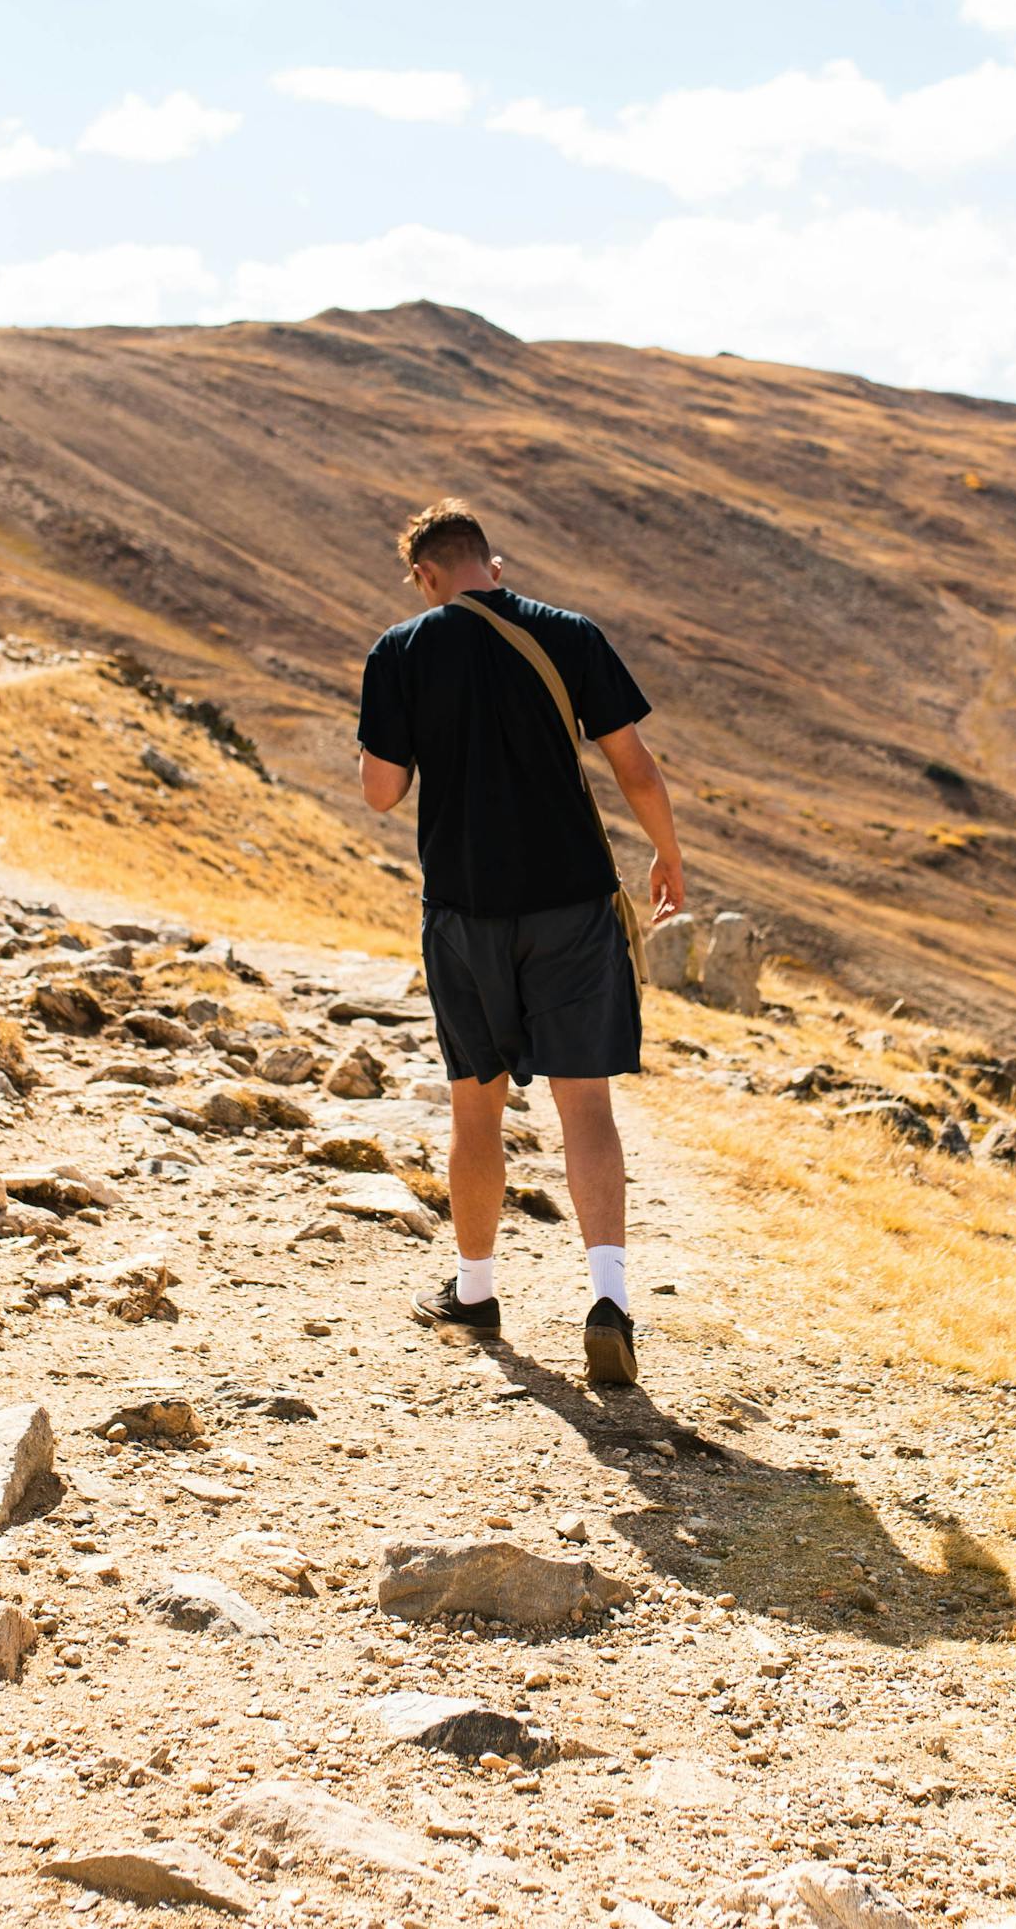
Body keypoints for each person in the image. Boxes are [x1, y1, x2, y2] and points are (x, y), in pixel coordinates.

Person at [355, 498, 686, 1387]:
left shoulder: (401, 650)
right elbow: (634, 766)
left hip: (464, 908)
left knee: (477, 1105)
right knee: (586, 1106)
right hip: (572, 904)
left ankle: (475, 1292)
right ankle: (609, 1299)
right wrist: (666, 855)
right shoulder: (570, 635)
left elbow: (381, 793)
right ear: (491, 566)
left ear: (425, 577)